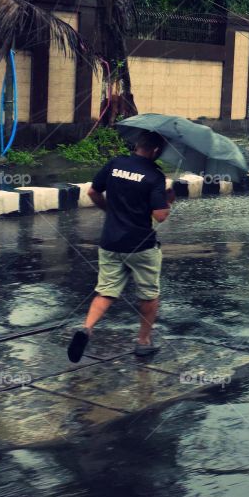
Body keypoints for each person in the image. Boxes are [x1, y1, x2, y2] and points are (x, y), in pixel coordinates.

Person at [67, 132, 175, 363]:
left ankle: (87, 328)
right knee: (148, 295)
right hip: (141, 246)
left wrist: (110, 211)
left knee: (106, 290)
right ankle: (143, 343)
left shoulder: (116, 163)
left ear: (137, 145)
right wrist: (169, 199)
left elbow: (93, 192)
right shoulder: (154, 176)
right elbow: (160, 215)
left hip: (110, 242)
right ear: (156, 151)